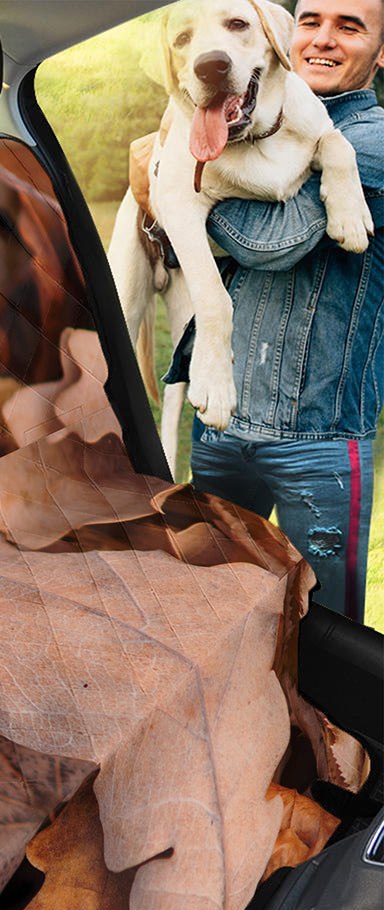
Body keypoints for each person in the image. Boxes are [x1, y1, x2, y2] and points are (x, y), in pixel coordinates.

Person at [176, 0, 384, 621]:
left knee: (323, 636)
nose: (321, 39)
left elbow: (277, 242)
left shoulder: (371, 141)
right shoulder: (249, 122)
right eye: (311, 20)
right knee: (207, 615)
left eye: (350, 26)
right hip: (222, 421)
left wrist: (175, 191)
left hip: (314, 440)